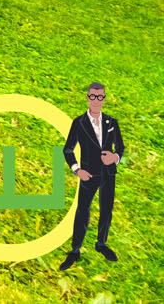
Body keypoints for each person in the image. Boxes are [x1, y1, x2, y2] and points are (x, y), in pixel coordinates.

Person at [60, 82, 125, 270]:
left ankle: (101, 244)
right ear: (88, 98)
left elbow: (120, 147)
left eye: (100, 97)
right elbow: (68, 149)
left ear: (104, 99)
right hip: (89, 174)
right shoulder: (78, 123)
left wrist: (115, 157)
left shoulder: (112, 123)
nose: (97, 100)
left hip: (108, 173)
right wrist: (77, 169)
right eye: (93, 97)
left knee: (106, 209)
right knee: (82, 211)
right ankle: (75, 250)